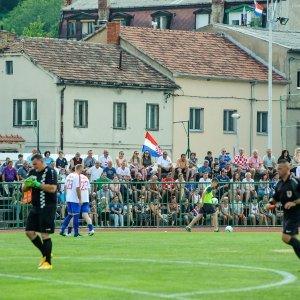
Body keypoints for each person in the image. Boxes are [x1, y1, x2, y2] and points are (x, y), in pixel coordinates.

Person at [23, 154, 57, 270]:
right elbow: (23, 188)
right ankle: (45, 252)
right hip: (35, 207)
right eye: (33, 165)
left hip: (47, 206)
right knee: (29, 232)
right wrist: (27, 184)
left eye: (35, 164)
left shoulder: (50, 171)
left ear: (42, 161)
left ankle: (48, 262)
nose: (34, 167)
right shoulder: (33, 172)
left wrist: (38, 184)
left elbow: (53, 188)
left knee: (44, 234)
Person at [268, 159, 300, 259]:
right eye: (278, 169)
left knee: (285, 237)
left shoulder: (295, 181)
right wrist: (270, 203)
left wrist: (293, 202)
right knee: (293, 238)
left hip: (296, 213)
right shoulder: (279, 184)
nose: (278, 171)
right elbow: (275, 198)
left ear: (287, 168)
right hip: (287, 215)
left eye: (280, 169)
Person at [59, 164, 83, 238]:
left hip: (69, 198)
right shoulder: (77, 176)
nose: (82, 171)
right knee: (76, 215)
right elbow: (78, 188)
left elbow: (65, 187)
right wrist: (80, 198)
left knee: (69, 215)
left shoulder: (68, 176)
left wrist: (66, 198)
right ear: (79, 169)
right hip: (74, 199)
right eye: (82, 170)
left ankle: (62, 230)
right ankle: (76, 233)